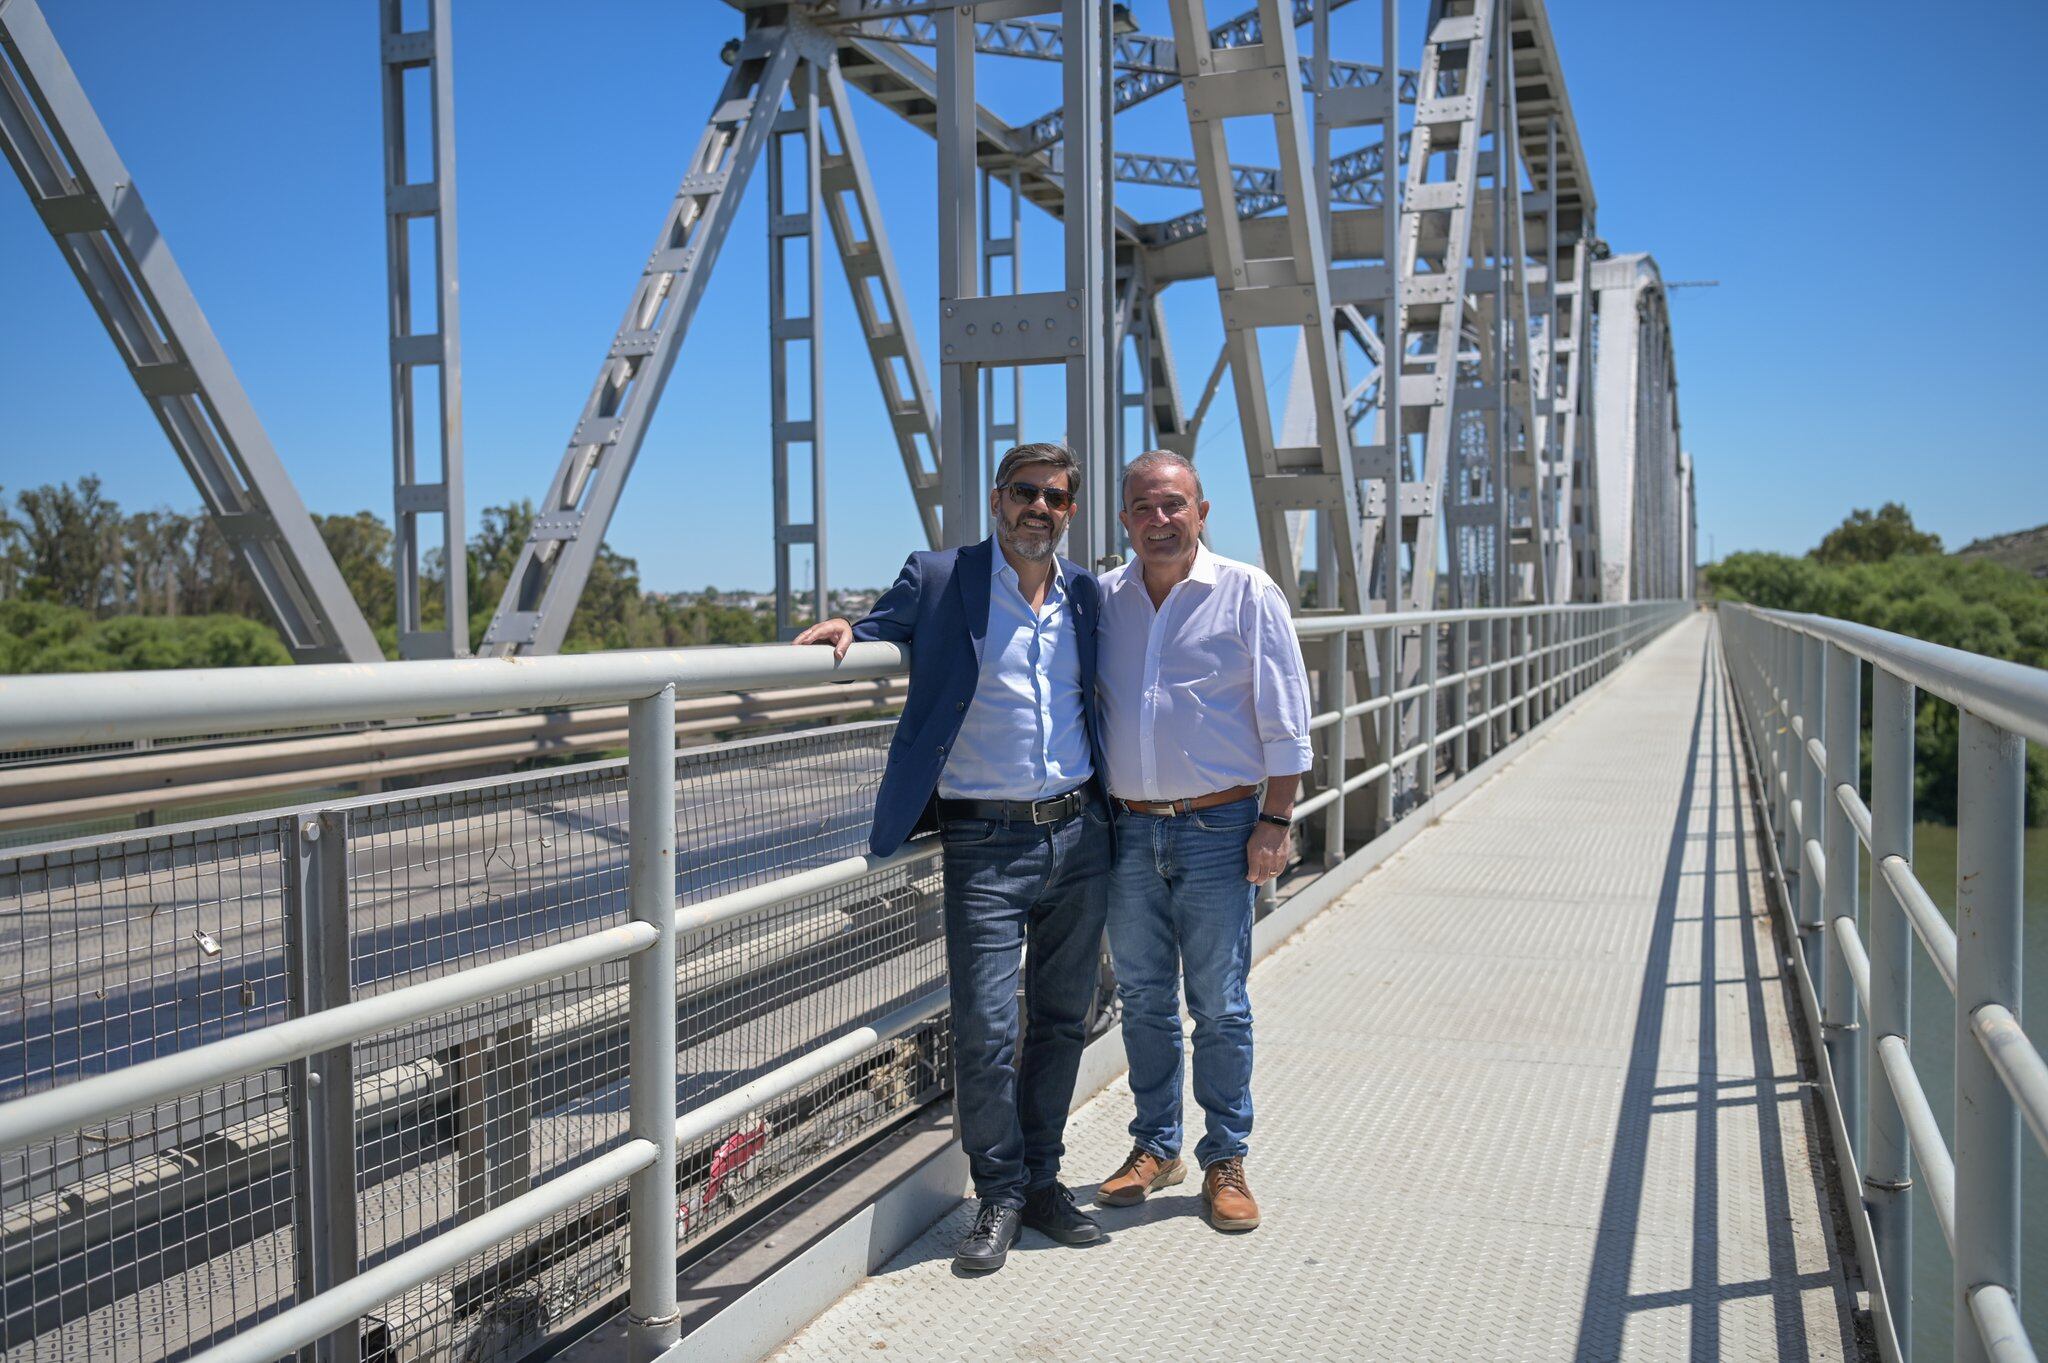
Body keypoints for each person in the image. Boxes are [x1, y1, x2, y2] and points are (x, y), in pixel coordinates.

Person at [792, 443, 1113, 1273]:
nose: (1038, 507)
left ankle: (1042, 1180)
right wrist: (852, 629)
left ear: (1071, 510)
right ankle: (997, 1191)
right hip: (985, 841)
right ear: (997, 498)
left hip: (1079, 833)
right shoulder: (941, 576)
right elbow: (881, 625)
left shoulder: (1085, 593)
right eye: (1024, 492)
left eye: (1055, 497)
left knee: (1062, 1019)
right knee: (986, 1027)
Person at [1090, 448, 1312, 1233]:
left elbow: (1286, 716)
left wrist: (1275, 821)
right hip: (1128, 828)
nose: (1159, 519)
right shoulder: (1104, 598)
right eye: (1144, 507)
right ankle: (1157, 1145)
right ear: (1125, 518)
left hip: (1221, 827)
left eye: (1173, 504)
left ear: (1201, 512)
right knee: (1145, 998)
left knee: (1218, 1002)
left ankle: (1226, 1157)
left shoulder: (1248, 592)